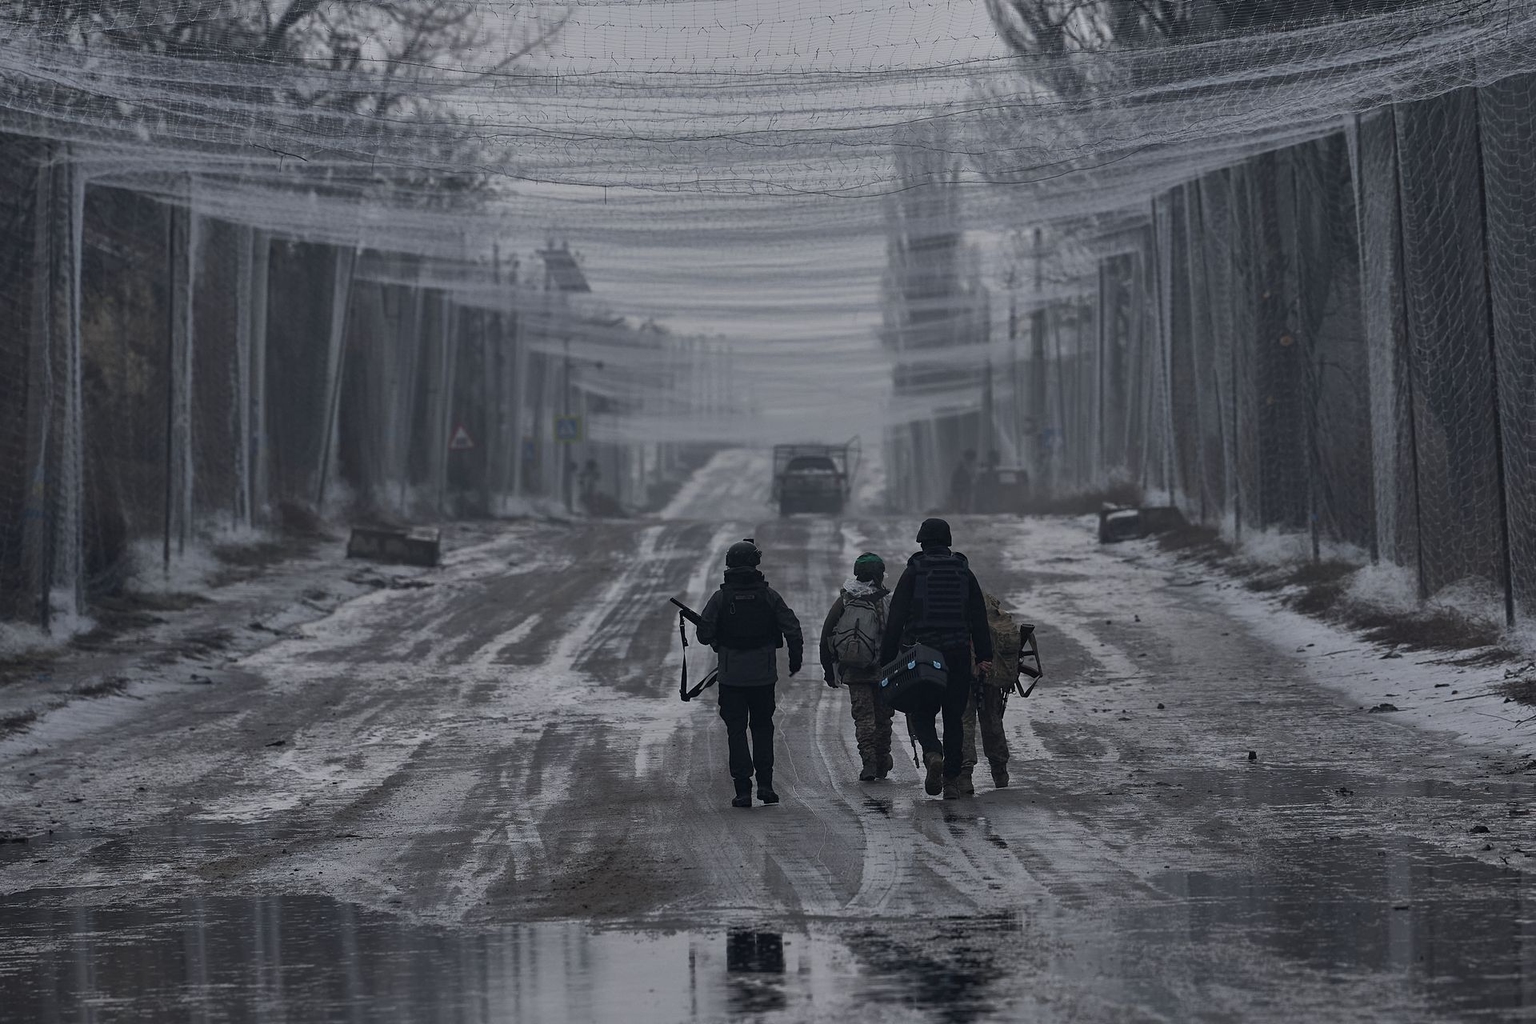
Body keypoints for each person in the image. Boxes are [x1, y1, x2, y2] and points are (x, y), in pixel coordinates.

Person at [879, 518, 993, 800]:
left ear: (922, 542)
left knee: (920, 710)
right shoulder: (964, 572)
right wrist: (985, 656)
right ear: (947, 541)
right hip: (958, 654)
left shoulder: (913, 572)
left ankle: (932, 753)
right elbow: (979, 617)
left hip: (924, 655)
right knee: (954, 717)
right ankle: (952, 780)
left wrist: (886, 658)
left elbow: (895, 620)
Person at [697, 539, 804, 808]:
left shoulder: (721, 598)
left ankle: (743, 791)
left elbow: (703, 634)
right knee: (762, 729)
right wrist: (795, 660)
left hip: (731, 679)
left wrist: (719, 637)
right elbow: (792, 627)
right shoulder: (769, 596)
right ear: (755, 563)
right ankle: (766, 786)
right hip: (763, 678)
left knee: (736, 732)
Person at [819, 552, 894, 782]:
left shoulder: (846, 599)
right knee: (883, 719)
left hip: (854, 670)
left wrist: (829, 670)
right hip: (884, 671)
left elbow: (827, 635)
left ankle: (868, 762)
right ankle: (883, 760)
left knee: (863, 719)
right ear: (880, 573)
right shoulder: (887, 600)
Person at [958, 592, 1019, 794]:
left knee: (964, 721)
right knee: (992, 720)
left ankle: (965, 775)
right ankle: (1000, 772)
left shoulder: (951, 600)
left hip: (964, 673)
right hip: (991, 671)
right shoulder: (987, 601)